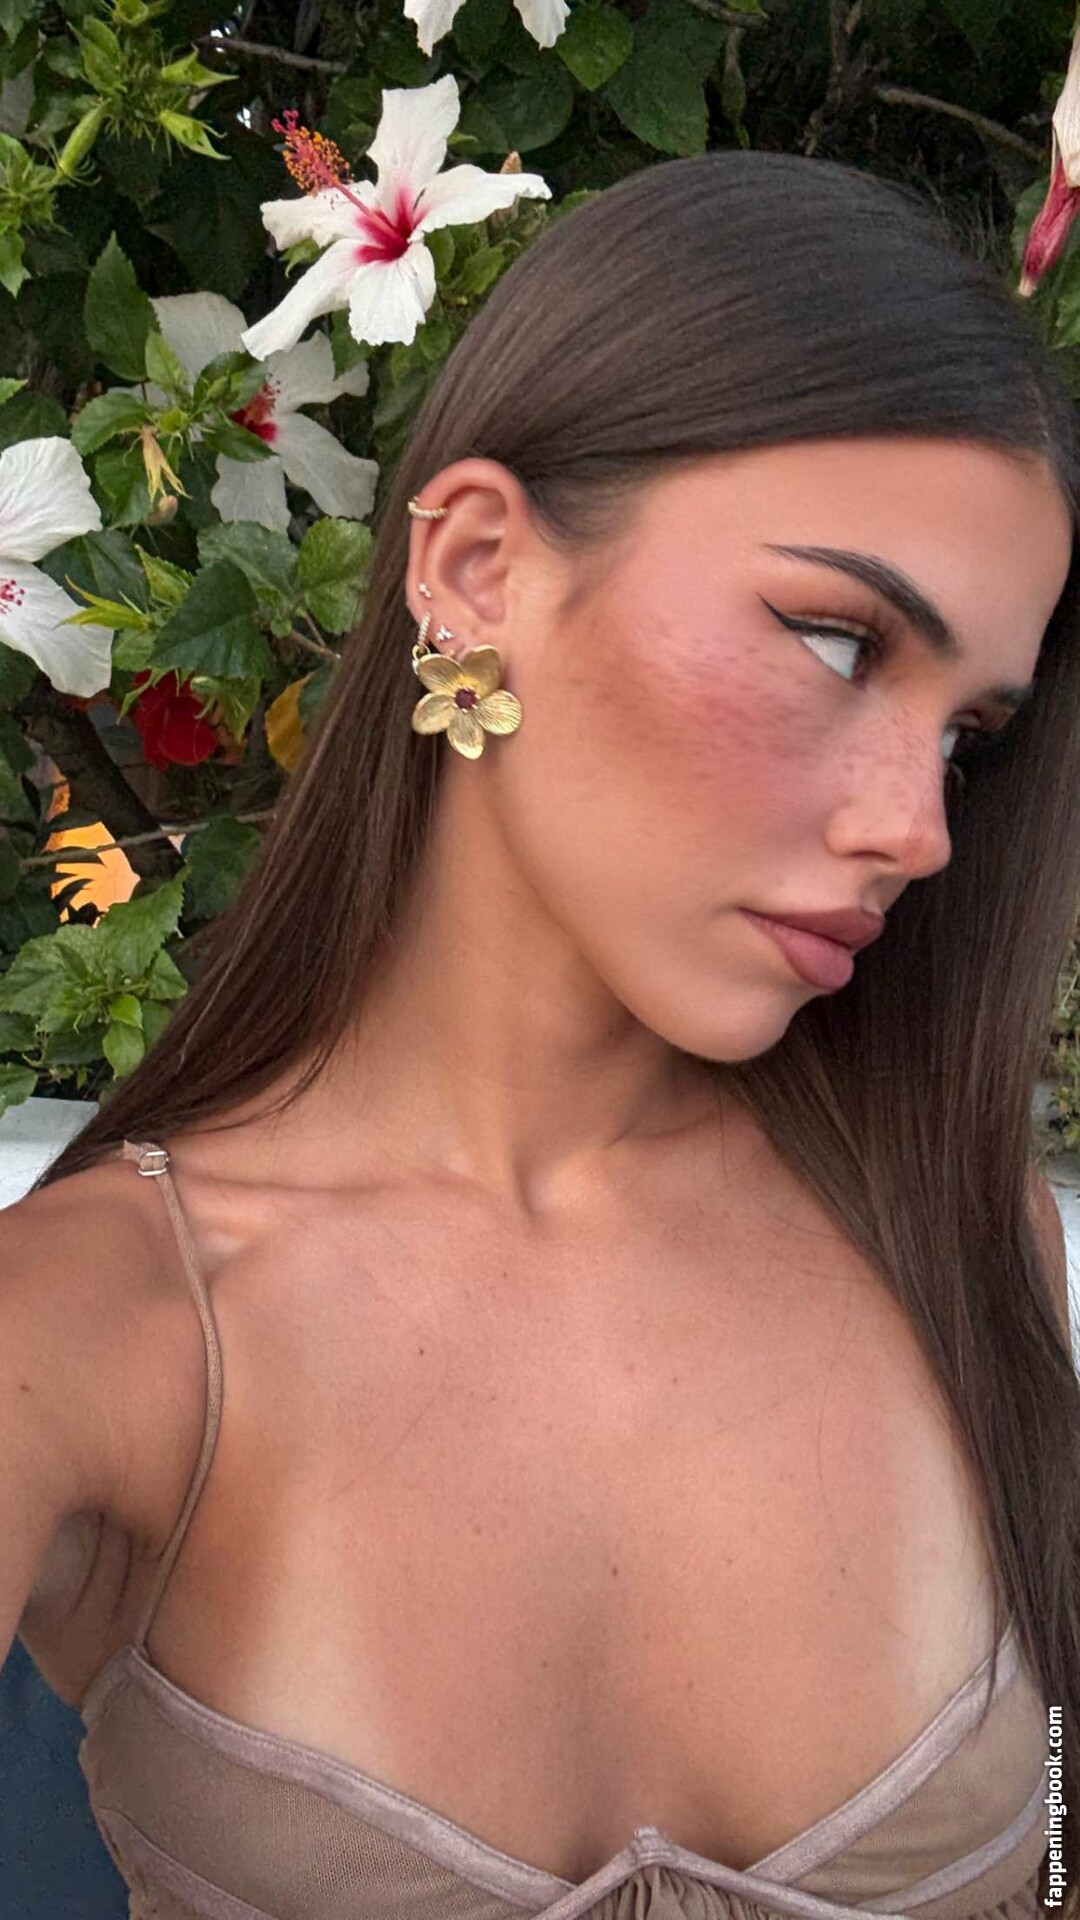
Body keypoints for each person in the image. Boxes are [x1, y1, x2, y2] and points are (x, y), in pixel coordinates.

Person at [2, 149, 1078, 1920]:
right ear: (479, 566)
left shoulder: (967, 1248)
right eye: (835, 643)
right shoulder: (98, 1332)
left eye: (972, 737)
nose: (919, 829)